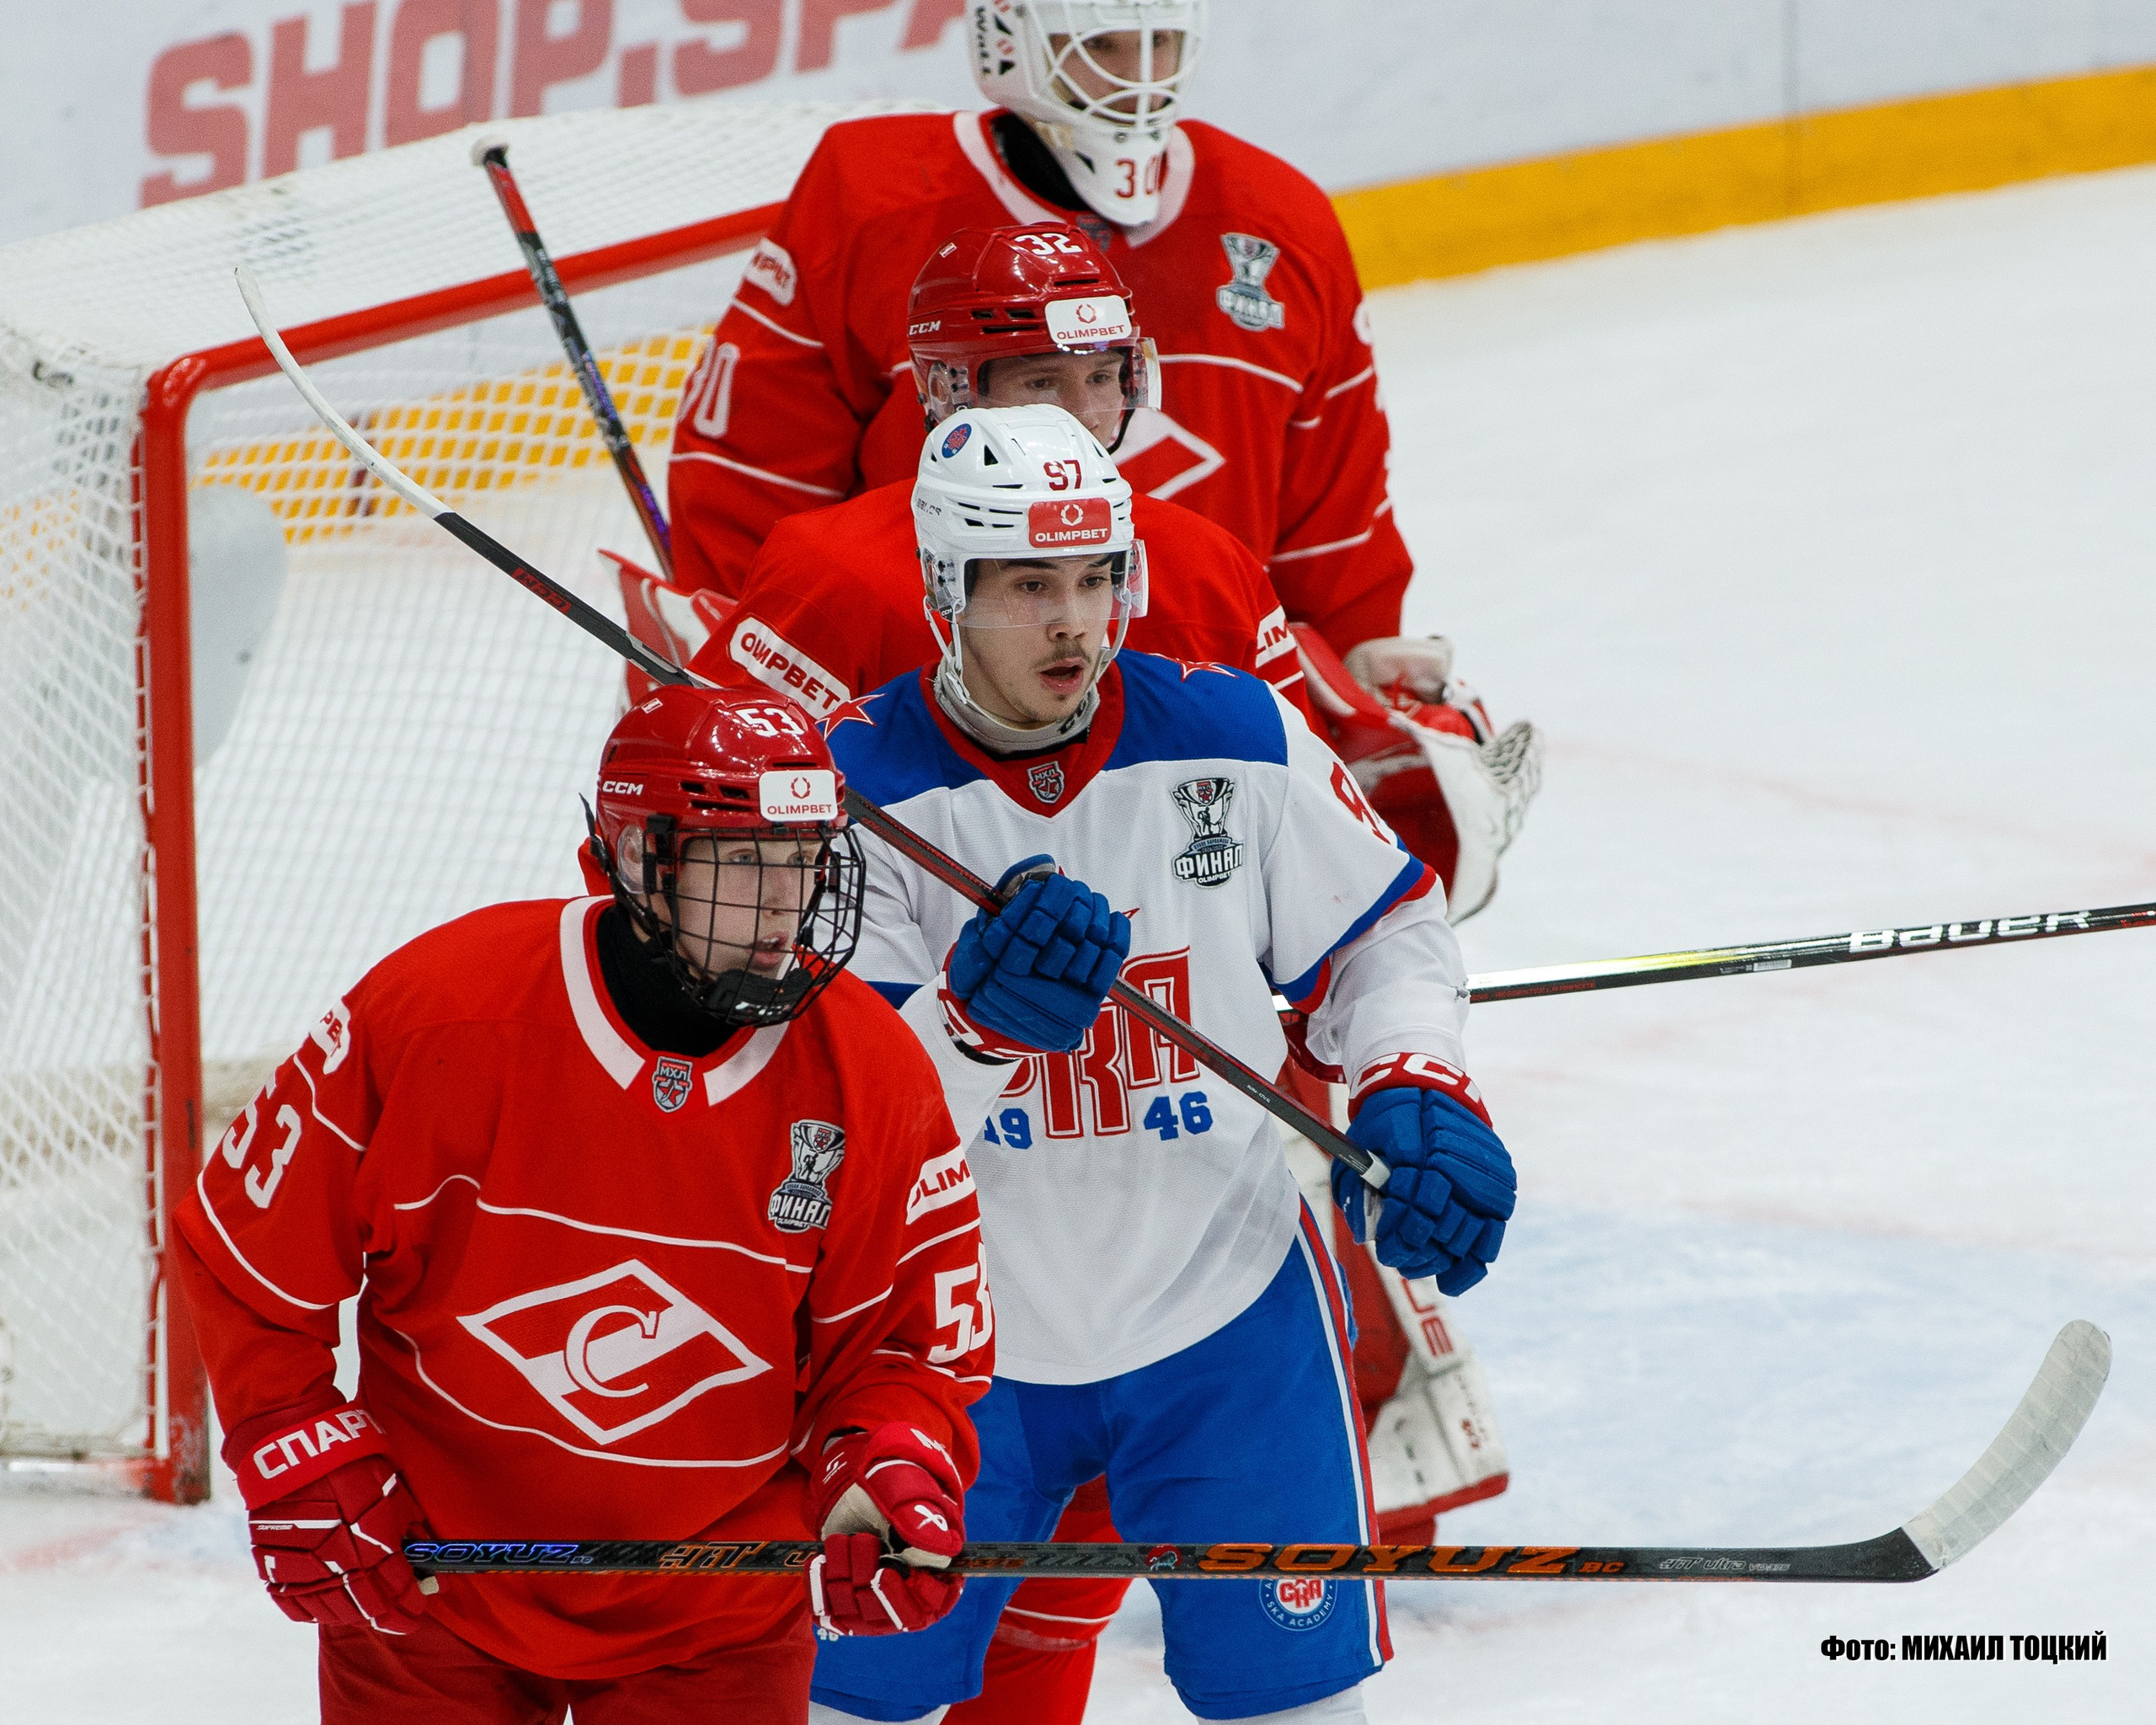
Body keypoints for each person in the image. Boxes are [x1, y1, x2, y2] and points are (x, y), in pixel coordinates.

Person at [804, 404, 1518, 1725]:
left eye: (1098, 578)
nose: (1076, 624)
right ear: (946, 587)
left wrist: (1415, 1078)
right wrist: (973, 1027)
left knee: (1302, 1712)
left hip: (1227, 1319)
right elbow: (841, 1122)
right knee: (844, 1709)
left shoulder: (1237, 737)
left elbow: (1386, 935)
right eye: (1031, 586)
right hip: (943, 1349)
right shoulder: (852, 789)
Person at [172, 685, 994, 1722]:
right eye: (745, 860)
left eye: (802, 860)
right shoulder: (440, 1013)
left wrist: (883, 1465)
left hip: (719, 1608)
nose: (783, 906)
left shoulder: (869, 1070)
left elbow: (902, 1349)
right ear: (639, 857)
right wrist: (295, 1436)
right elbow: (246, 1247)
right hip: (433, 1584)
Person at [663, 0, 1539, 902]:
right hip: (931, 753)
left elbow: (1336, 516)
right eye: (1106, 46)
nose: (1139, 78)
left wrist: (1355, 679)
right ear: (1010, 36)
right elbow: (745, 478)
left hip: (1195, 723)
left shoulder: (1280, 226)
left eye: (1161, 43)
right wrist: (757, 652)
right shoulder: (872, 197)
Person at [692, 221, 1304, 725]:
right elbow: (715, 804)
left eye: (1101, 377)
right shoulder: (832, 574)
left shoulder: (1214, 566)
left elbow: (1295, 802)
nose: (1084, 416)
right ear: (945, 391)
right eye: (1041, 382)